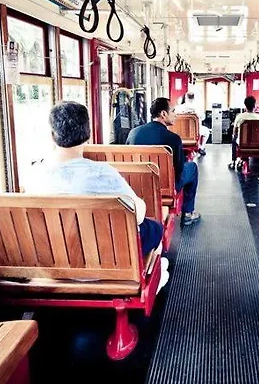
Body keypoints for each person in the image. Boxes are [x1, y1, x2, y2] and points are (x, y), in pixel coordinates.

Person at [25, 101, 169, 291]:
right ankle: (153, 276)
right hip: (107, 260)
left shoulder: (34, 175)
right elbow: (137, 214)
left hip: (51, 263)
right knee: (154, 227)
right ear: (89, 134)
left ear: (52, 136)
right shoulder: (102, 173)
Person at [126, 97, 201, 227]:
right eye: (173, 111)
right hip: (166, 187)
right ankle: (188, 213)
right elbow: (179, 169)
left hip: (137, 184)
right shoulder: (173, 138)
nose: (175, 115)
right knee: (192, 167)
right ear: (163, 114)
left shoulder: (133, 133)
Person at [228, 96, 259, 169]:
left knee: (234, 139)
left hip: (243, 143)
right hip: (257, 143)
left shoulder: (240, 117)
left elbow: (234, 131)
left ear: (245, 106)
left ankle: (233, 161)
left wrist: (235, 135)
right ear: (254, 105)